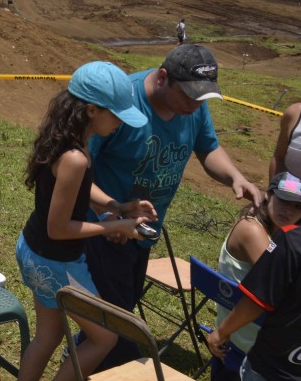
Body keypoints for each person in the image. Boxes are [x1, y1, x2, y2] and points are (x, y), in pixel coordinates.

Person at [82, 44, 262, 368]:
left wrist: (235, 177)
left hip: (143, 232)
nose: (195, 106)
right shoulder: (123, 102)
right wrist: (110, 215)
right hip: (106, 231)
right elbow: (77, 168)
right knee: (119, 327)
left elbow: (208, 149)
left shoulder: (192, 108)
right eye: (189, 97)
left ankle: (82, 357)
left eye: (202, 99)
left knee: (116, 310)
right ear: (163, 78)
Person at [16, 62, 152, 381]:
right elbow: (59, 228)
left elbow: (78, 189)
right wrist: (116, 226)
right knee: (105, 337)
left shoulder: (70, 140)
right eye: (117, 115)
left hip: (34, 251)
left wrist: (117, 206)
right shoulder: (76, 157)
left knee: (48, 337)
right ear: (92, 110)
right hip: (56, 262)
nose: (121, 123)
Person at [204, 174, 301, 381]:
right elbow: (278, 286)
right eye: (283, 201)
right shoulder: (252, 230)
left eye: (297, 207)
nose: (288, 210)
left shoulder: (282, 234)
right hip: (247, 339)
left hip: (242, 330)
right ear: (268, 196)